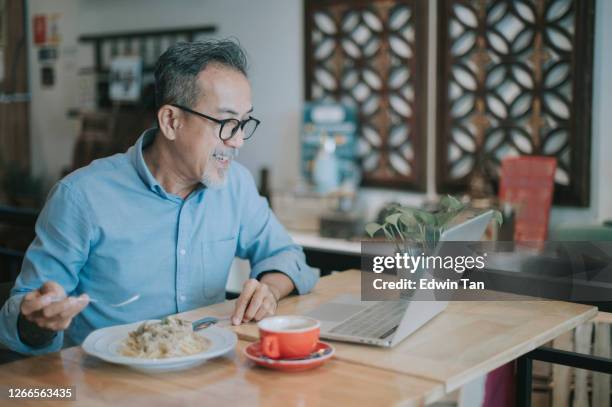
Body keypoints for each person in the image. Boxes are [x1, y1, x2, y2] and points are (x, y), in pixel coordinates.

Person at [0, 39, 318, 355]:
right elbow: (19, 319)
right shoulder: (80, 197)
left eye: (244, 123)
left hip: (206, 377)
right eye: (226, 123)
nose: (238, 142)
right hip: (106, 387)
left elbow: (287, 255)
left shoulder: (236, 185)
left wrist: (270, 290)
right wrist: (38, 321)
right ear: (171, 121)